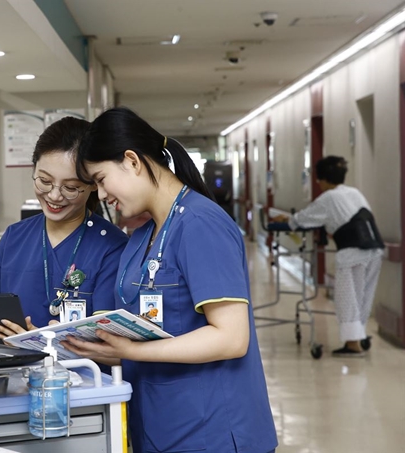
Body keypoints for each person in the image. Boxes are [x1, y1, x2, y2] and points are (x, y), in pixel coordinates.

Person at [65, 107, 277, 453]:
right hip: (162, 428)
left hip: (213, 432)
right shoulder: (141, 237)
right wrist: (107, 349)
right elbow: (156, 329)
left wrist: (132, 351)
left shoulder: (200, 224)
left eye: (101, 180)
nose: (101, 196)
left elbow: (232, 338)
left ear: (131, 161)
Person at [0, 116, 128, 340]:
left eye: (71, 187)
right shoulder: (14, 237)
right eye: (44, 181)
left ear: (93, 186)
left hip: (83, 373)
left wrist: (35, 342)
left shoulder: (111, 246)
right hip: (13, 370)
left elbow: (105, 340)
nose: (55, 195)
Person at [272, 155, 383, 357]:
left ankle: (353, 344)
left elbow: (302, 219)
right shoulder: (354, 192)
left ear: (322, 180)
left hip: (352, 252)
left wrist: (287, 220)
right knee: (363, 297)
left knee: (347, 298)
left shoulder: (328, 197)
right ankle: (359, 336)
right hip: (374, 249)